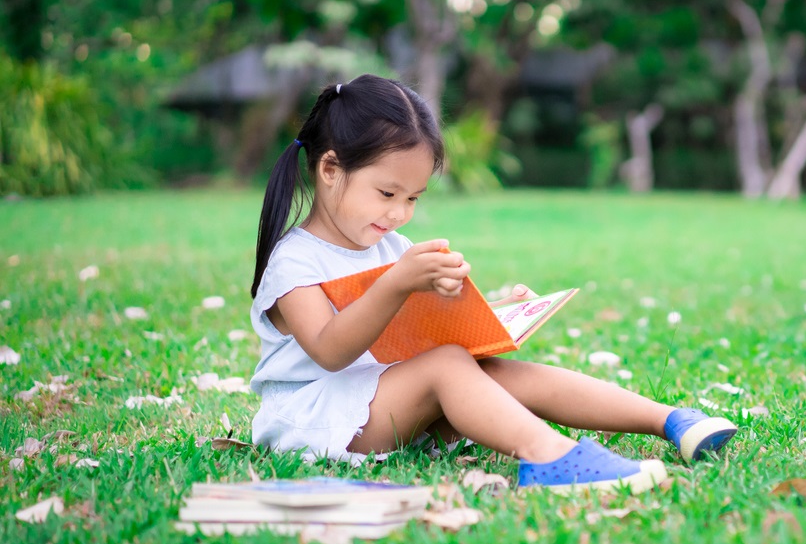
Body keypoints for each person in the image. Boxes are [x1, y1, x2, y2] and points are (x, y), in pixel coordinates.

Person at [248, 74, 737, 494]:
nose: (399, 213)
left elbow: (421, 331)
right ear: (331, 169)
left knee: (489, 367)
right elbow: (330, 351)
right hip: (315, 419)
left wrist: (491, 313)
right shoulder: (296, 261)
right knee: (447, 366)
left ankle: (670, 420)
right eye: (387, 193)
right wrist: (397, 284)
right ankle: (551, 458)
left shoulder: (389, 246)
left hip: (382, 401)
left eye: (413, 198)